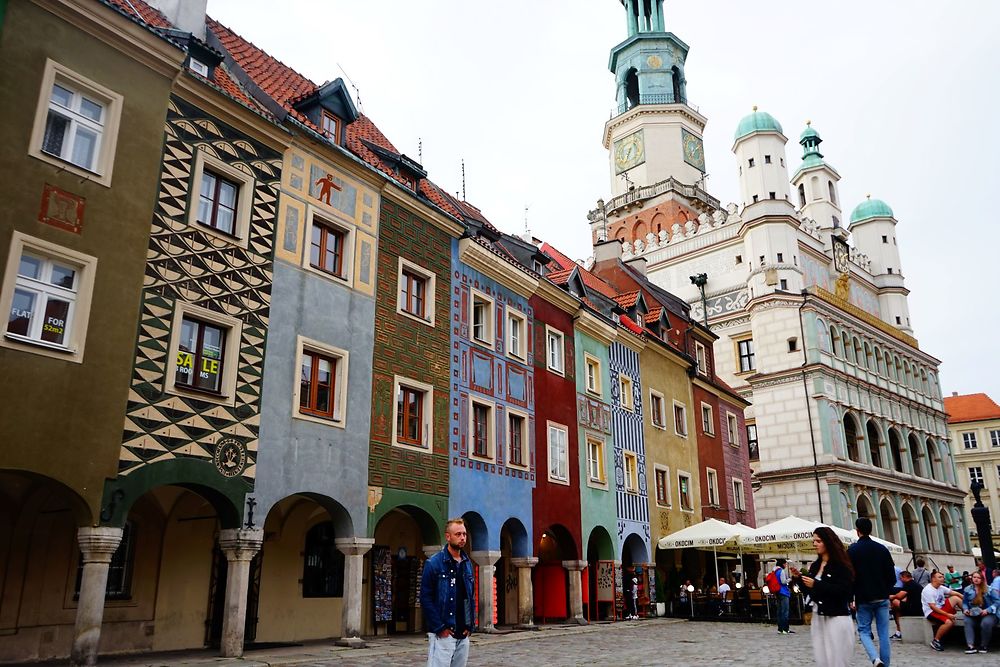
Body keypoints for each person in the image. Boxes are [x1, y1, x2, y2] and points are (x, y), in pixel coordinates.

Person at [790, 527, 855, 666]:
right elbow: (811, 593)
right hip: (818, 616)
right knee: (822, 660)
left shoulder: (840, 566)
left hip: (836, 617)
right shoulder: (815, 566)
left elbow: (844, 592)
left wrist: (816, 584)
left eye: (818, 541)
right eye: (813, 541)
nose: (815, 544)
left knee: (837, 660)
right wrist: (799, 580)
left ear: (828, 542)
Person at [420, 518, 476, 667]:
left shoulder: (467, 563)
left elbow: (469, 597)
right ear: (448, 536)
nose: (462, 537)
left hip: (463, 634)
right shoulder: (434, 563)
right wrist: (439, 628)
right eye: (458, 534)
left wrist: (470, 625)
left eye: (464, 534)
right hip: (444, 633)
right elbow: (425, 599)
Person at [847, 517, 896, 667]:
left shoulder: (852, 550)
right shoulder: (882, 549)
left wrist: (851, 597)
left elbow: (849, 577)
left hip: (863, 598)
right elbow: (892, 577)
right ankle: (885, 664)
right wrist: (885, 591)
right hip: (882, 597)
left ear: (857, 531)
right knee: (883, 634)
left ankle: (875, 659)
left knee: (864, 632)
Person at [921, 570, 964, 652]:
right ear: (933, 579)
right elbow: (933, 607)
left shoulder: (940, 587)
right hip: (931, 612)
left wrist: (968, 600)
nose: (943, 579)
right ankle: (936, 641)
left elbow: (956, 593)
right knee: (949, 622)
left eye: (943, 577)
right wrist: (947, 614)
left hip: (941, 608)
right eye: (940, 577)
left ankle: (967, 613)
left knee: (956, 598)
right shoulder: (928, 590)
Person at [961, 570, 998, 653]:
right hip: (973, 613)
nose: (976, 579)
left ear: (982, 579)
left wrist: (988, 610)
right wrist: (965, 609)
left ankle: (983, 645)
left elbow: (997, 602)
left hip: (989, 613)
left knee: (985, 623)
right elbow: (965, 602)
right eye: (974, 577)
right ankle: (970, 646)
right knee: (967, 621)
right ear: (972, 578)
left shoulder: (990, 589)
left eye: (978, 578)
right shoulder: (967, 589)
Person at [773, 558, 793, 634]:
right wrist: (790, 579)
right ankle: (785, 629)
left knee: (780, 611)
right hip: (783, 592)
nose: (786, 565)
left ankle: (780, 628)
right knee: (785, 611)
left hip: (777, 592)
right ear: (782, 564)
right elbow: (783, 582)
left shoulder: (775, 571)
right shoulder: (781, 571)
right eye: (785, 564)